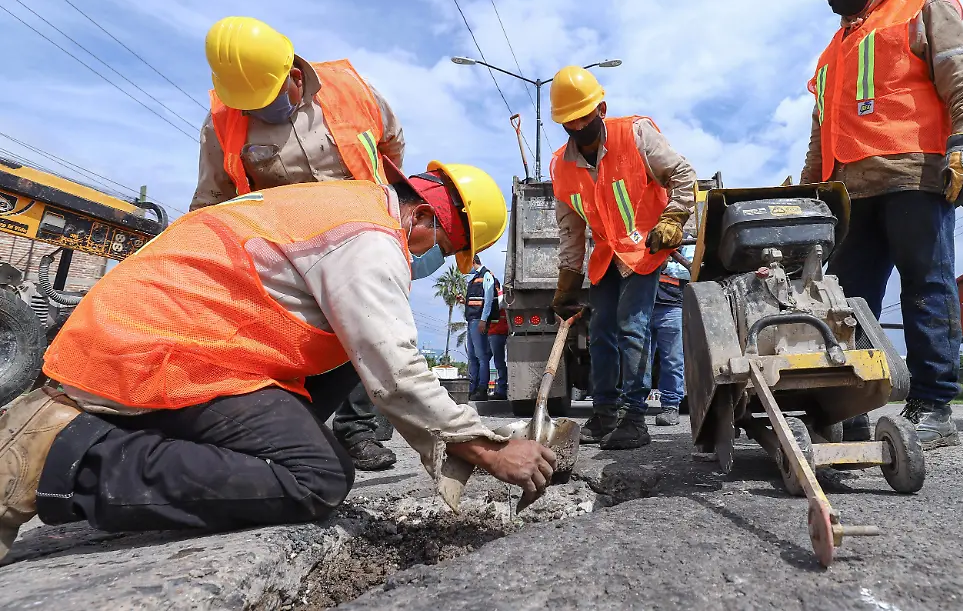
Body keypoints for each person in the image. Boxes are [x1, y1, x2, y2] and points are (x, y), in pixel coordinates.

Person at [0, 163, 554, 561]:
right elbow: (397, 373)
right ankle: (65, 457)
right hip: (157, 352)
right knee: (315, 477)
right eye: (441, 247)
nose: (428, 261)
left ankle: (205, 454)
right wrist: (490, 449)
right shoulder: (370, 239)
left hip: (145, 336)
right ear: (428, 222)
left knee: (341, 358)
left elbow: (370, 362)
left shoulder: (346, 203)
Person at [802, 0, 963, 449]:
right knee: (847, 304)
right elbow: (820, 133)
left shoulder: (921, 6)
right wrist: (810, 196)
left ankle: (933, 407)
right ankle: (852, 406)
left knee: (926, 287)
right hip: (850, 191)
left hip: (915, 175)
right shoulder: (831, 55)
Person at [192, 16, 407, 471]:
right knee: (295, 344)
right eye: (249, 106)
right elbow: (211, 197)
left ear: (292, 73)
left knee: (364, 327)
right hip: (287, 250)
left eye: (267, 101)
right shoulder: (223, 123)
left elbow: (392, 140)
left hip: (357, 234)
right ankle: (293, 431)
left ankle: (358, 431)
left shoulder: (352, 89)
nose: (258, 112)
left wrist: (386, 204)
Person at [547, 66, 697, 450]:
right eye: (570, 121)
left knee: (633, 326)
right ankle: (604, 413)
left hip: (645, 249)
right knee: (600, 335)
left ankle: (634, 418)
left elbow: (682, 174)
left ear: (601, 108)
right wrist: (565, 290)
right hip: (606, 256)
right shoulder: (560, 167)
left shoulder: (635, 134)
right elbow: (571, 232)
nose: (579, 126)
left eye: (585, 116)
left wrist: (673, 218)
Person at [650, 244, 695, 426]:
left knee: (673, 359)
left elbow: (692, 270)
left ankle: (670, 406)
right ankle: (632, 408)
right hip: (642, 306)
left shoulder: (687, 244)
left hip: (671, 307)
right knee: (637, 360)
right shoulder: (642, 239)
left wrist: (666, 265)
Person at [464, 256, 499, 401]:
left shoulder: (486, 276)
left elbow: (488, 300)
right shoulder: (475, 278)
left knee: (481, 356)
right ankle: (472, 389)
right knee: (472, 356)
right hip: (472, 319)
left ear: (473, 262)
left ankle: (482, 388)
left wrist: (484, 320)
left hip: (478, 320)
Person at [487, 293, 510, 401]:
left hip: (497, 333)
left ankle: (502, 390)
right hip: (500, 332)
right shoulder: (502, 297)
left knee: (499, 363)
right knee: (499, 363)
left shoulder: (499, 297)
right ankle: (502, 389)